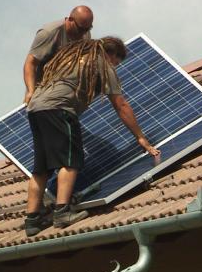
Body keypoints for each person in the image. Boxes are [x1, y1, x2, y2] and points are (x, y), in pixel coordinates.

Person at [24, 37, 160, 237]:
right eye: (116, 62)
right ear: (111, 55)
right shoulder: (102, 65)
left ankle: (32, 221)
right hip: (59, 109)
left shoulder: (69, 60)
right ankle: (62, 213)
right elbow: (120, 104)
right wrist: (140, 137)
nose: (115, 66)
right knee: (70, 161)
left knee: (41, 169)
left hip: (36, 109)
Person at [23, 5, 94, 104]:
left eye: (88, 29)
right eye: (81, 29)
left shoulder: (85, 34)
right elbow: (30, 63)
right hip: (43, 89)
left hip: (64, 89)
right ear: (70, 19)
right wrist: (31, 91)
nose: (83, 33)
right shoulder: (49, 33)